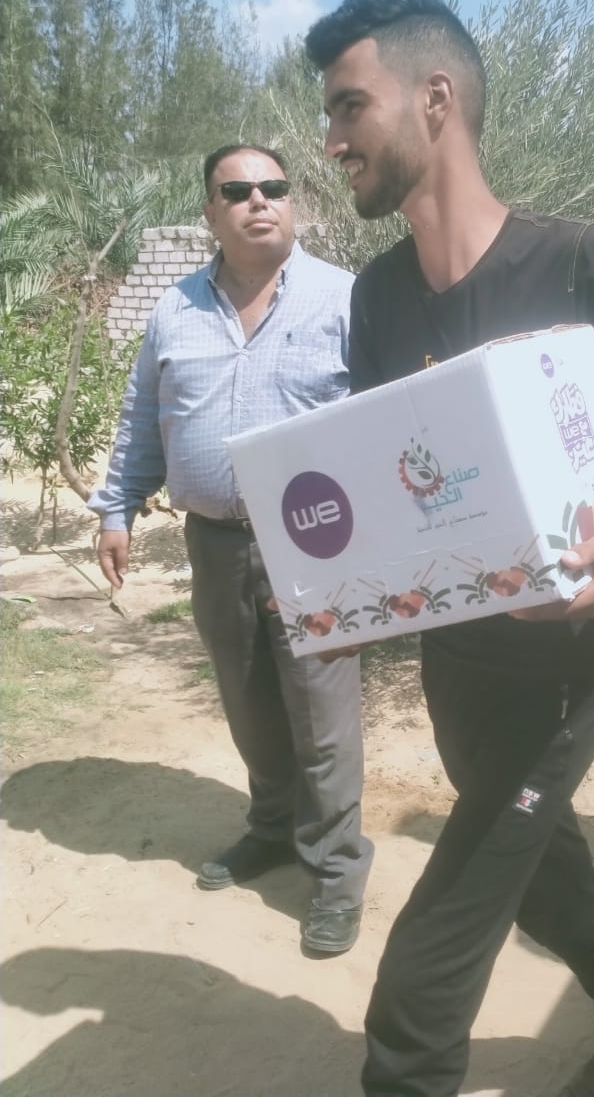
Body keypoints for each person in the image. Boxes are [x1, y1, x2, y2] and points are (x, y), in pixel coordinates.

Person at [305, 0, 594, 1097]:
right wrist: (340, 598)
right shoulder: (378, 297)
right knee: (539, 862)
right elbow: (392, 489)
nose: (332, 140)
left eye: (350, 106)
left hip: (565, 668)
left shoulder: (576, 263)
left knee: (427, 967)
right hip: (458, 666)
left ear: (435, 99)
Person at [89, 144, 373, 957]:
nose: (259, 200)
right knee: (248, 702)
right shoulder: (175, 309)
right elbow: (145, 415)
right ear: (210, 212)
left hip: (317, 540)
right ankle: (273, 829)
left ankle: (336, 870)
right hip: (213, 542)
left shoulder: (346, 299)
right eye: (238, 190)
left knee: (322, 716)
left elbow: (383, 419)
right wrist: (116, 508)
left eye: (274, 187)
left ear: (294, 203)